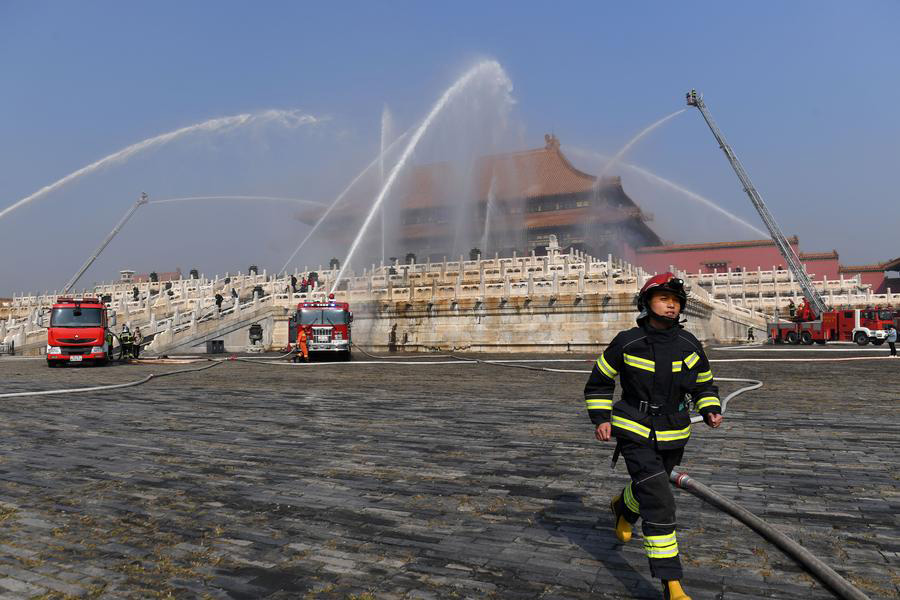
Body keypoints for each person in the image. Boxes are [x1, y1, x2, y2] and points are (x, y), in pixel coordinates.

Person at [584, 273, 722, 600]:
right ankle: (671, 583)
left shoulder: (689, 344)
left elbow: (703, 383)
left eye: (675, 301)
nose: (671, 305)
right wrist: (601, 418)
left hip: (674, 431)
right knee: (660, 501)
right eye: (663, 299)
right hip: (634, 428)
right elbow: (600, 382)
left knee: (651, 484)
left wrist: (710, 408)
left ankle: (624, 506)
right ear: (647, 303)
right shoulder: (627, 342)